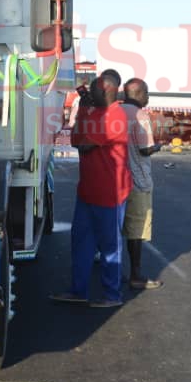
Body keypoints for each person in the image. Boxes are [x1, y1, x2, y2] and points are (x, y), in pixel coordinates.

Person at [51, 74, 130, 308]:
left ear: (106, 90)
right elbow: (76, 141)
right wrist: (85, 111)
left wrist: (84, 112)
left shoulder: (115, 116)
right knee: (81, 243)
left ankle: (112, 295)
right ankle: (79, 290)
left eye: (93, 90)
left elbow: (84, 145)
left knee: (110, 246)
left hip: (110, 194)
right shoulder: (96, 113)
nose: (88, 94)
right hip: (89, 190)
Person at [120, 78, 163, 290]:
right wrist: (158, 146)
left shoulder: (116, 112)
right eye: (146, 93)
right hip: (138, 180)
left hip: (118, 179)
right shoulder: (141, 115)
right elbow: (145, 149)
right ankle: (135, 274)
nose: (148, 97)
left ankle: (113, 270)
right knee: (136, 230)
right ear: (138, 93)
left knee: (117, 227)